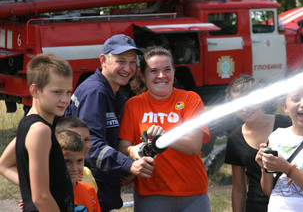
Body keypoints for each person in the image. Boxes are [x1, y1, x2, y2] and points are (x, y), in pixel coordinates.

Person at [66, 34, 155, 211]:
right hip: (87, 189)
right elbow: (93, 146)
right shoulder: (95, 93)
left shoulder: (113, 95)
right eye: (121, 61)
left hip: (99, 187)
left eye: (132, 62)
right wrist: (130, 166)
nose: (128, 68)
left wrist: (124, 171)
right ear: (103, 60)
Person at [118, 46, 211, 212]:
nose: (161, 76)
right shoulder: (133, 105)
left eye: (167, 69)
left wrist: (164, 138)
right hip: (151, 193)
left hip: (192, 193)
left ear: (174, 73)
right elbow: (123, 147)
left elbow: (194, 146)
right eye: (153, 71)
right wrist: (134, 150)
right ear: (142, 75)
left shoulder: (190, 99)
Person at [15, 53, 74, 212]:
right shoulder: (40, 131)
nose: (65, 99)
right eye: (57, 92)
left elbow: (4, 164)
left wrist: (28, 189)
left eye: (68, 92)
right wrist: (33, 193)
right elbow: (41, 197)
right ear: (35, 90)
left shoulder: (29, 123)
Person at [224, 75, 291, 212]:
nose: (245, 109)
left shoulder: (287, 124)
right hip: (257, 207)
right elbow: (238, 188)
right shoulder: (235, 139)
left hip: (292, 205)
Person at [56, 129, 101, 212]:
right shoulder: (48, 195)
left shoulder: (89, 190)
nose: (74, 168)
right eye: (67, 161)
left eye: (79, 161)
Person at [56, 116, 98, 192]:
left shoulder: (87, 173)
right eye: (76, 139)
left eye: (87, 140)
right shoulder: (51, 179)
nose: (83, 145)